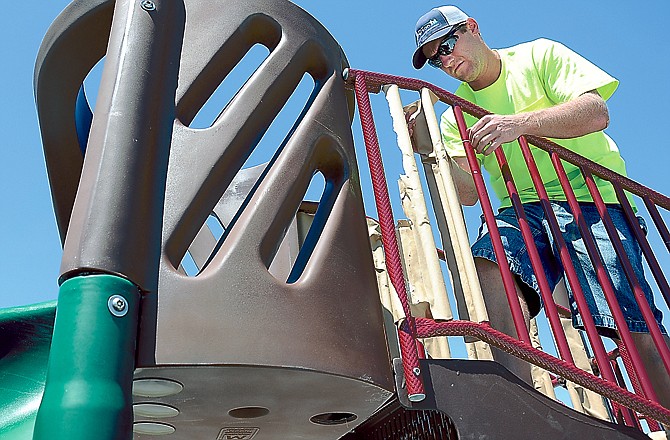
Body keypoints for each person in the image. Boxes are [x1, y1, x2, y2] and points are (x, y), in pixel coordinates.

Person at [409, 5, 670, 409]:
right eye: (435, 58)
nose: (446, 59)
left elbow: (596, 112)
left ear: (472, 28)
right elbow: (466, 193)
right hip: (526, 208)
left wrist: (520, 124)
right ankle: (519, 403)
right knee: (489, 260)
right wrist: (428, 146)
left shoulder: (538, 55)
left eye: (448, 43)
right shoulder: (453, 115)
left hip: (593, 198)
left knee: (629, 320)